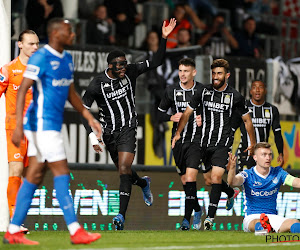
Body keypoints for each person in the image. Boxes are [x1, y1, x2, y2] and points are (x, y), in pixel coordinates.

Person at [3, 18, 102, 245]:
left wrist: (88, 116)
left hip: (50, 126)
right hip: (41, 125)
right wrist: (17, 125)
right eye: (69, 31)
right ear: (57, 33)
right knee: (61, 172)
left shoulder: (67, 58)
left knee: (35, 175)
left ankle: (13, 229)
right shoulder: (41, 57)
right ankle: (76, 230)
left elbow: (70, 92)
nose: (73, 35)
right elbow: (22, 90)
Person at [81, 18, 177, 230]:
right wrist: (91, 135)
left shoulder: (131, 71)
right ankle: (143, 183)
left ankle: (120, 217)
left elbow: (158, 60)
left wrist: (164, 38)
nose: (123, 68)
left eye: (125, 64)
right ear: (110, 66)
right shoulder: (97, 84)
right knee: (126, 172)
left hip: (128, 128)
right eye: (119, 65)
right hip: (108, 133)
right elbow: (84, 109)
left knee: (124, 168)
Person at [172, 58, 256, 230]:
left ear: (227, 75)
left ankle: (210, 218)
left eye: (219, 73)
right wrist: (178, 132)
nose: (216, 77)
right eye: (214, 73)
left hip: (222, 143)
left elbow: (247, 120)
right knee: (209, 181)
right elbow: (187, 113)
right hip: (203, 143)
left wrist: (252, 142)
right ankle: (231, 192)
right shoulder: (203, 91)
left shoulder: (235, 96)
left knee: (217, 177)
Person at [158, 58, 204, 230]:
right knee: (185, 181)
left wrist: (203, 119)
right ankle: (197, 209)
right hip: (178, 141)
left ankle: (186, 220)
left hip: (196, 141)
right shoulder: (171, 91)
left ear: (194, 72)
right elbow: (159, 114)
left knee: (191, 178)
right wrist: (171, 117)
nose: (182, 74)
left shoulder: (202, 90)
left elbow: (212, 113)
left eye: (186, 71)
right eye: (180, 71)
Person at [0, 30, 39, 233]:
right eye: (31, 43)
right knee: (15, 171)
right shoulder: (8, 70)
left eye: (37, 44)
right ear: (20, 45)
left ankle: (18, 218)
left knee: (29, 176)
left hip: (34, 130)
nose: (35, 47)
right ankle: (15, 221)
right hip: (14, 128)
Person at [227, 142, 300, 233]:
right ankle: (264, 231)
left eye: (269, 154)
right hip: (252, 217)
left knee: (295, 223)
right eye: (264, 155)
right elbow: (232, 182)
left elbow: (296, 182)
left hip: (272, 217)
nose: (268, 158)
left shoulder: (278, 172)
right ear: (255, 157)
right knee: (259, 224)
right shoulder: (248, 174)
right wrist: (232, 167)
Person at [231, 80, 284, 172]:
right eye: (254, 87)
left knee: (261, 183)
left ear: (265, 91)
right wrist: (227, 152)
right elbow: (231, 130)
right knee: (245, 182)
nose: (257, 90)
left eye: (260, 87)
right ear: (251, 91)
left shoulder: (272, 110)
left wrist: (280, 152)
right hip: (246, 153)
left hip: (263, 154)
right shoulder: (242, 108)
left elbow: (277, 133)